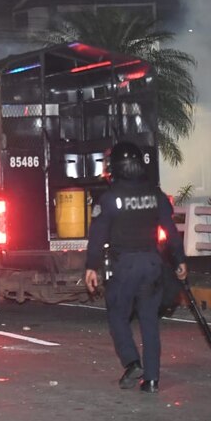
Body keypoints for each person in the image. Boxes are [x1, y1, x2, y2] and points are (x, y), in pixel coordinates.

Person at [85, 142, 187, 393]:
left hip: (126, 265)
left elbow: (98, 235)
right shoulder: (155, 195)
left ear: (115, 168)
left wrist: (91, 267)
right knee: (149, 320)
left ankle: (132, 363)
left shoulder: (110, 198)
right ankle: (152, 379)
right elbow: (171, 231)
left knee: (118, 314)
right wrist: (180, 260)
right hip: (152, 264)